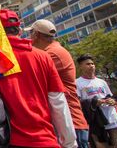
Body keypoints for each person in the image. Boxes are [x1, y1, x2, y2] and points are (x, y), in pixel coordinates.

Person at [0, 9, 76, 148]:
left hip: (3, 140)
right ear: (19, 30)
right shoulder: (43, 57)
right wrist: (69, 143)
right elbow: (58, 102)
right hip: (45, 139)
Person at [28, 19, 90, 148]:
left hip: (69, 122)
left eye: (30, 33)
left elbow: (31, 76)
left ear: (36, 35)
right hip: (64, 121)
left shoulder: (52, 54)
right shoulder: (53, 50)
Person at [76, 54, 117, 148]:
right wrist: (94, 102)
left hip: (112, 118)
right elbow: (77, 103)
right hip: (96, 122)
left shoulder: (101, 82)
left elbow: (111, 97)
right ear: (80, 67)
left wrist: (112, 101)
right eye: (87, 64)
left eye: (92, 63)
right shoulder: (77, 83)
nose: (91, 66)